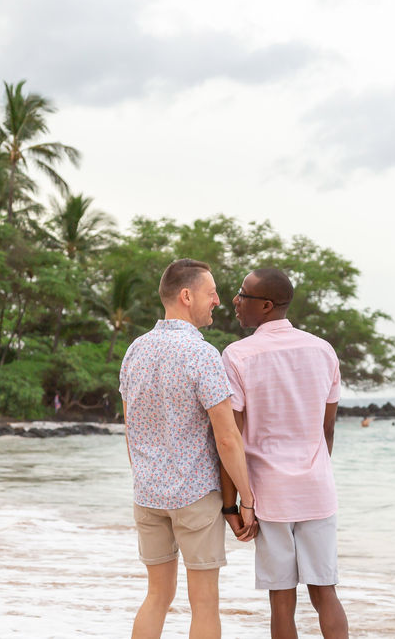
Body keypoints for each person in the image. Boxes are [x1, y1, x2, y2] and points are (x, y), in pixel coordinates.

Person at [119, 258, 258, 639]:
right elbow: (227, 437)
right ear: (186, 295)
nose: (217, 299)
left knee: (156, 596)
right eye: (210, 292)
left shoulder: (135, 350)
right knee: (205, 602)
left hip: (147, 495)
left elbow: (131, 429)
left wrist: (145, 478)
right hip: (195, 495)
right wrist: (247, 499)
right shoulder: (202, 354)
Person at [222, 268, 348, 639]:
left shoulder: (237, 355)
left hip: (270, 495)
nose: (235, 300)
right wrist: (314, 470)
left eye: (242, 294)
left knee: (281, 600)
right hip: (317, 491)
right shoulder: (323, 350)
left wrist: (233, 505)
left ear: (264, 305)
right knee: (326, 592)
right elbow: (327, 429)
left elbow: (232, 436)